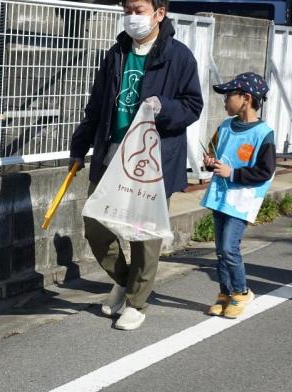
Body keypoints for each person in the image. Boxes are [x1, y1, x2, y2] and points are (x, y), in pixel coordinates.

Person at [69, 0, 203, 331]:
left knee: (144, 233)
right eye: (127, 9)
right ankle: (124, 280)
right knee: (95, 224)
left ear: (159, 13)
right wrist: (79, 146)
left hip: (151, 160)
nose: (131, 17)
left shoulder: (179, 57)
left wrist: (164, 107)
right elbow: (96, 106)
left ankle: (136, 301)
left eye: (138, 10)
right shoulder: (116, 53)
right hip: (111, 152)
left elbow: (192, 105)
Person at [200, 73, 275, 319]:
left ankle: (241, 292)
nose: (224, 100)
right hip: (220, 196)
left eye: (229, 95)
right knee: (220, 250)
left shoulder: (263, 133)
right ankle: (224, 294)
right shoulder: (224, 126)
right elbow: (212, 150)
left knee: (229, 248)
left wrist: (232, 173)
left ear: (246, 98)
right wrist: (210, 161)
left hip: (241, 201)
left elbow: (265, 171)